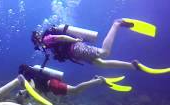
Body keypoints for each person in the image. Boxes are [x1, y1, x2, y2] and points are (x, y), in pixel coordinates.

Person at [31, 18, 170, 74]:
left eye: (36, 43)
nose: (38, 46)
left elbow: (60, 37)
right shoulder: (46, 44)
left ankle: (117, 24)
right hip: (76, 52)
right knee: (102, 64)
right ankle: (132, 66)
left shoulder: (46, 39)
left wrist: (75, 41)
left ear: (37, 39)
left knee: (104, 52)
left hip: (75, 48)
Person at [16, 64, 131, 102]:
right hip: (53, 83)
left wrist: (24, 90)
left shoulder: (29, 77)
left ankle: (98, 81)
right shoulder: (34, 72)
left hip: (52, 85)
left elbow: (32, 86)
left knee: (76, 90)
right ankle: (94, 79)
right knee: (75, 90)